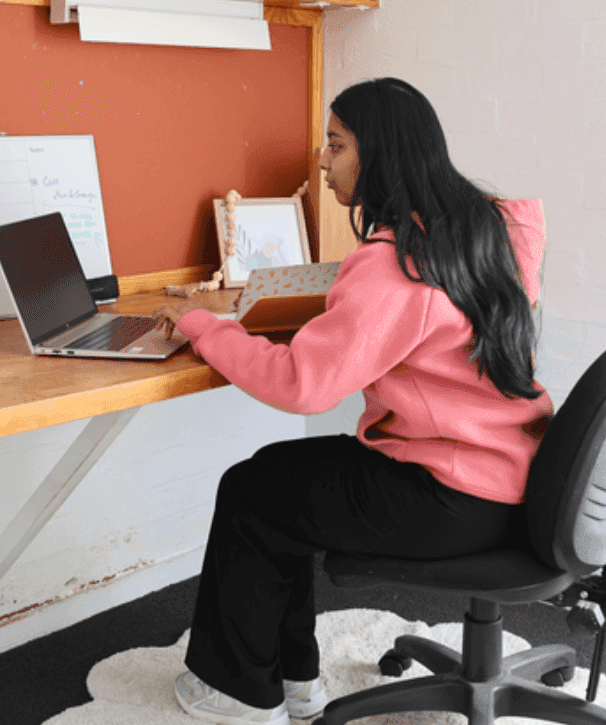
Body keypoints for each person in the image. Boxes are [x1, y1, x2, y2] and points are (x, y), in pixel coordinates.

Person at [154, 77, 554, 725]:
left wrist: (204, 325)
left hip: (444, 493)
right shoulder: (487, 230)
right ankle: (294, 683)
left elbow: (301, 385)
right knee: (280, 483)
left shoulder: (399, 258)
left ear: (381, 156)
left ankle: (239, 697)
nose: (321, 160)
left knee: (254, 492)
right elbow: (424, 326)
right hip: (506, 482)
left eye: (336, 145)